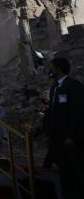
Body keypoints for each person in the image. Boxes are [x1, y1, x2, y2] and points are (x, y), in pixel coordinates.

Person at [44, 58, 84, 199]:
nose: (51, 71)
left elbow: (77, 113)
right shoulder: (55, 87)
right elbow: (53, 111)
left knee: (77, 172)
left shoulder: (74, 86)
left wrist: (71, 136)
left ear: (59, 69)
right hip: (58, 139)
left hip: (70, 139)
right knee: (64, 174)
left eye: (52, 68)